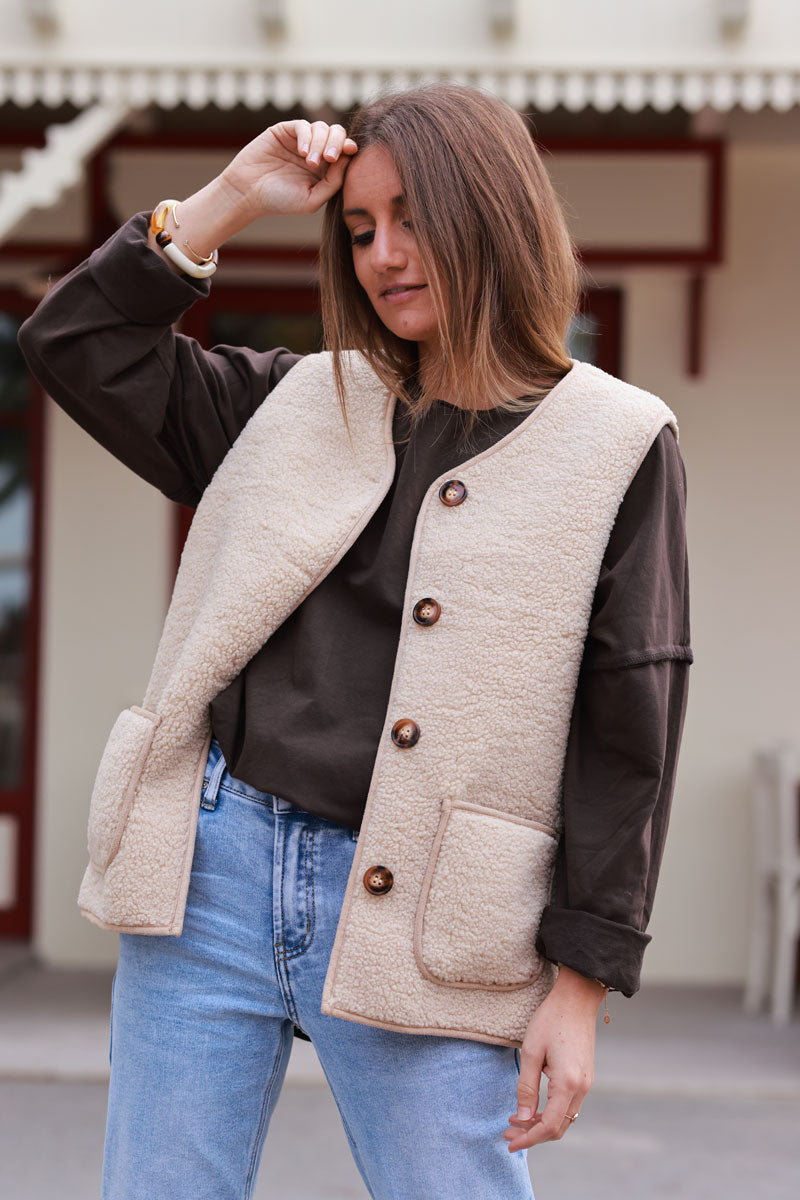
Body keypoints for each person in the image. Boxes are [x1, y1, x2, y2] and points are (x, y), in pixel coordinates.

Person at [18, 83, 693, 1200]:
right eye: (360, 227)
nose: (384, 253)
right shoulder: (287, 405)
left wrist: (580, 986)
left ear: (493, 212)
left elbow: (628, 725)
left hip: (434, 911)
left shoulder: (618, 443)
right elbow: (75, 341)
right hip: (211, 879)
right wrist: (234, 196)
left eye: (414, 218)